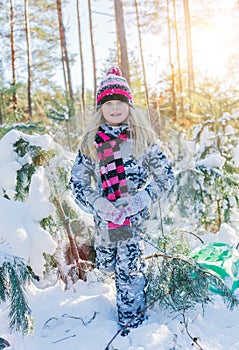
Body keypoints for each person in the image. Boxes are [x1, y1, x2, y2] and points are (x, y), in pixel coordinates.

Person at [69, 66, 174, 336]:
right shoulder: (92, 142)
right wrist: (98, 203)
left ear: (129, 105)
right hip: (106, 220)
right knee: (109, 265)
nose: (115, 109)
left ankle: (132, 324)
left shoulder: (142, 139)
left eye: (120, 103)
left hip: (134, 219)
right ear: (100, 108)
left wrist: (142, 198)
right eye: (108, 103)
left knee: (129, 266)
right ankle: (125, 304)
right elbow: (78, 183)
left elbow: (166, 177)